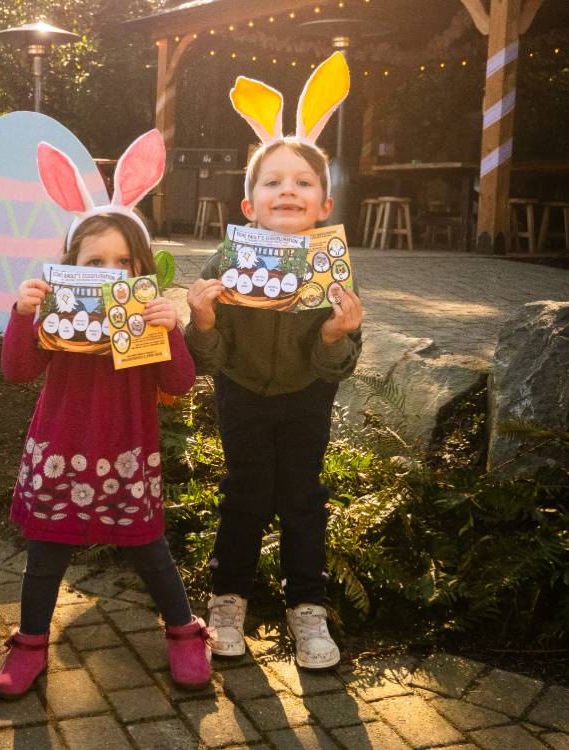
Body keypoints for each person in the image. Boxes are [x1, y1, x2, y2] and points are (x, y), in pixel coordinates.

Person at [0, 130, 212, 698]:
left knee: (150, 550)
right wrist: (23, 313)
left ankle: (184, 631)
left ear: (141, 268)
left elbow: (180, 384)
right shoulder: (55, 316)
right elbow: (17, 370)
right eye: (95, 262)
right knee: (45, 554)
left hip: (125, 458)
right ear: (71, 267)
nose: (110, 273)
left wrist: (173, 332)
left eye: (123, 261)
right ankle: (31, 642)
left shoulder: (148, 319)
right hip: (62, 452)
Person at [185, 52, 364, 670]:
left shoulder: (333, 268)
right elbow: (206, 360)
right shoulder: (221, 264)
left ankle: (306, 607)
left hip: (307, 395)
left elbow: (337, 363)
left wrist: (339, 334)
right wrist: (203, 320)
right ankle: (228, 598)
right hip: (241, 394)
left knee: (303, 498)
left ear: (323, 204)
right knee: (244, 494)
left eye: (303, 183)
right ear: (249, 205)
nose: (288, 189)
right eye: (272, 182)